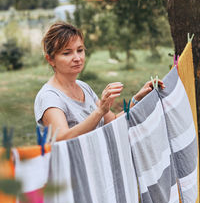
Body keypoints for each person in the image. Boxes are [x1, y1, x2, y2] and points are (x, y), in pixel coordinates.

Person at [34, 22, 165, 141]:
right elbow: (62, 139)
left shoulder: (83, 87)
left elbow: (112, 122)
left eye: (80, 50)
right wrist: (100, 111)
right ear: (50, 59)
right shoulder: (49, 97)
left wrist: (137, 99)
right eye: (67, 53)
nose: (77, 58)